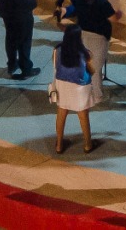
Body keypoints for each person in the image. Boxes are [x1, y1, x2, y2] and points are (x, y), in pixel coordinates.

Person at [52, 24, 97, 154]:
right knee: (83, 114)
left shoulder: (58, 50)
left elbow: (55, 65)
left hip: (62, 84)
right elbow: (91, 70)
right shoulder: (85, 52)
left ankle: (59, 145)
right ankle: (88, 144)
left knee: (61, 112)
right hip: (80, 87)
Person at [76, 0, 116, 101]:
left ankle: (83, 90)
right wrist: (119, 13)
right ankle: (97, 95)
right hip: (99, 38)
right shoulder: (102, 2)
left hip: (83, 34)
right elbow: (113, 18)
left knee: (86, 63)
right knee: (96, 67)